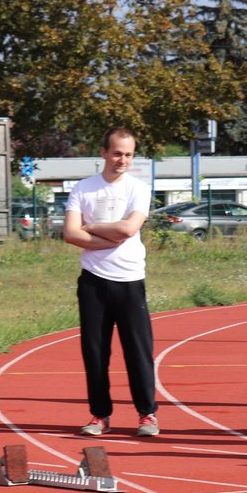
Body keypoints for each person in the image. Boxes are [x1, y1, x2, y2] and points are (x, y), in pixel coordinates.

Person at [64, 127, 160, 437]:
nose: (122, 160)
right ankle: (99, 415)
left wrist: (92, 228)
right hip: (93, 282)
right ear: (104, 153)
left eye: (129, 155)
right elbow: (70, 234)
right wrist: (107, 237)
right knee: (94, 352)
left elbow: (129, 229)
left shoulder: (138, 189)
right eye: (117, 153)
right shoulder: (83, 189)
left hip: (130, 280)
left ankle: (147, 414)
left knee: (138, 351)